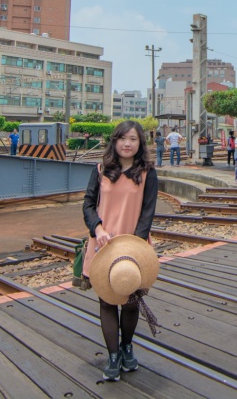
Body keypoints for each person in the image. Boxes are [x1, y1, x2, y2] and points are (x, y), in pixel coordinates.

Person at [81, 120, 159, 381]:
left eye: (133, 139)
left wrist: (135, 247)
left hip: (134, 246)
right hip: (103, 245)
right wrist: (98, 229)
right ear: (115, 141)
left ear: (140, 144)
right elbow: (88, 205)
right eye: (123, 138)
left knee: (130, 300)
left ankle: (127, 346)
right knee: (106, 300)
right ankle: (113, 354)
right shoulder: (101, 169)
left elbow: (147, 212)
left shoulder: (148, 172)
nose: (127, 143)